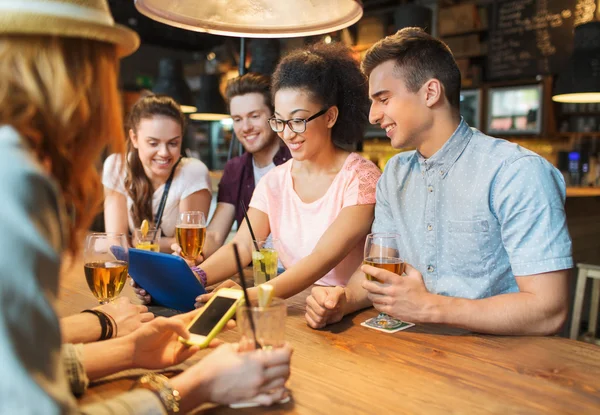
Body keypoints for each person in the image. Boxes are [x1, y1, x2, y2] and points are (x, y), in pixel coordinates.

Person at [0, 1, 291, 413]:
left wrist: (128, 352)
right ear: (82, 69)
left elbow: (18, 367)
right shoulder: (16, 178)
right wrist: (196, 386)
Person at [305, 27, 573, 336]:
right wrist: (344, 300)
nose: (373, 116)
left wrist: (429, 307)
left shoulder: (517, 173)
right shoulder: (394, 175)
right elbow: (382, 273)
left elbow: (548, 310)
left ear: (431, 93)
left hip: (505, 365)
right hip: (419, 356)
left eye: (383, 99)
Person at [103, 94, 212, 252]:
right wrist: (166, 242)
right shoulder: (116, 166)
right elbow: (116, 241)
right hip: (133, 268)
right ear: (134, 138)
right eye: (153, 143)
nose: (164, 152)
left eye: (173, 143)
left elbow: (188, 246)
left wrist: (138, 241)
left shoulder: (192, 172)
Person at [203, 73, 291, 258]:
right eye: (237, 119)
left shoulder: (295, 160)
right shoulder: (235, 168)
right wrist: (193, 254)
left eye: (254, 116)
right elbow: (215, 235)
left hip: (299, 275)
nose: (245, 127)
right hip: (255, 274)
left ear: (274, 116)